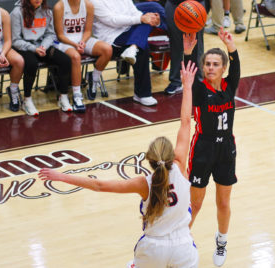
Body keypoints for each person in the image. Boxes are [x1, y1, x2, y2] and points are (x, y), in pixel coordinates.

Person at [38, 34, 198, 268]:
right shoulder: (181, 165)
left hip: (153, 248)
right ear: (171, 154)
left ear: (150, 160)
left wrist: (61, 176)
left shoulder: (144, 182)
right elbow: (186, 122)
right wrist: (187, 85)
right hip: (183, 247)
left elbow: (100, 186)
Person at [185, 28, 239, 267]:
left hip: (226, 148)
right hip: (203, 148)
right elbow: (188, 73)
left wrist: (231, 46)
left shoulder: (229, 86)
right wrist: (188, 53)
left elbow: (237, 66)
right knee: (195, 204)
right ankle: (181, 240)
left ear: (223, 68)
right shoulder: (199, 90)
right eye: (207, 63)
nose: (210, 67)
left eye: (216, 64)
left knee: (224, 202)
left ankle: (221, 241)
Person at [89, 0, 167, 106]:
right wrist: (141, 18)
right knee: (142, 46)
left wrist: (147, 18)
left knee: (147, 21)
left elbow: (133, 11)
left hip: (127, 29)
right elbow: (112, 20)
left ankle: (133, 47)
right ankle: (142, 94)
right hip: (111, 38)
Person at [11, 0, 73, 116]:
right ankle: (27, 100)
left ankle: (63, 96)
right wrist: (34, 49)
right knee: (31, 63)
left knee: (65, 60)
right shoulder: (16, 13)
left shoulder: (47, 12)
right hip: (24, 47)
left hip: (42, 46)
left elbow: (50, 34)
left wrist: (44, 47)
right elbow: (15, 40)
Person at [53, 0, 112, 104]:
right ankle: (77, 95)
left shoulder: (88, 5)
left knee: (107, 49)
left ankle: (94, 79)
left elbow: (88, 31)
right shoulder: (59, 6)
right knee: (75, 57)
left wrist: (82, 42)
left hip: (82, 39)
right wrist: (75, 45)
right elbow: (60, 35)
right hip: (64, 42)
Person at [163, 0, 204, 95]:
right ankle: (175, 81)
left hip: (194, 5)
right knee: (175, 45)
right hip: (173, 4)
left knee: (195, 45)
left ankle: (198, 81)